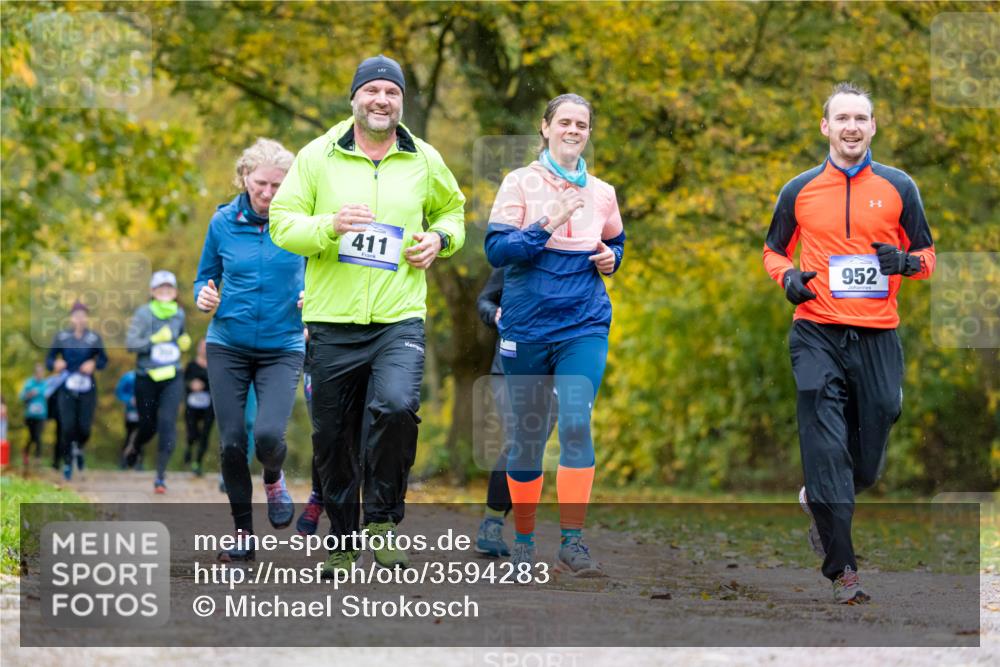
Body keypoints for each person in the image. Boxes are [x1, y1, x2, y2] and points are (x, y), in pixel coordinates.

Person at [269, 54, 466, 575]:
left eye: (392, 93)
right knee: (332, 435)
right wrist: (330, 226)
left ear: (402, 102)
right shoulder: (317, 157)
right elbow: (282, 224)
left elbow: (454, 211)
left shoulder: (424, 159)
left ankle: (381, 520)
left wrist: (440, 240)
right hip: (333, 320)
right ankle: (343, 536)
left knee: (397, 408)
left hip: (399, 316)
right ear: (354, 97)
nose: (382, 100)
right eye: (373, 91)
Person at [762, 82, 936, 604]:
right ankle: (844, 572)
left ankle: (817, 497)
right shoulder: (799, 190)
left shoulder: (900, 186)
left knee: (871, 445)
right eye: (842, 119)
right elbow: (772, 252)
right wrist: (787, 278)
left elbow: (927, 258)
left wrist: (902, 263)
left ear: (874, 126)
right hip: (815, 330)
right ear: (825, 127)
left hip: (878, 334)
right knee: (824, 444)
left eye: (861, 118)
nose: (852, 127)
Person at [484, 93, 625, 577]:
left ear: (588, 132)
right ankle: (523, 540)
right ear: (544, 128)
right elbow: (497, 251)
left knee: (575, 422)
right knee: (526, 438)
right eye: (564, 121)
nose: (573, 130)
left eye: (581, 124)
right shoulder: (519, 182)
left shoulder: (603, 191)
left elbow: (615, 239)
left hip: (583, 321)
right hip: (526, 325)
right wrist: (547, 223)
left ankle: (572, 541)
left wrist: (613, 258)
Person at [194, 138, 305, 562]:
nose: (268, 193)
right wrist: (203, 295)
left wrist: (310, 297)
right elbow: (205, 276)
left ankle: (273, 478)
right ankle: (243, 534)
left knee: (268, 435)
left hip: (284, 345)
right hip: (228, 345)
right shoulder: (222, 222)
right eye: (261, 183)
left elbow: (321, 269)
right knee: (232, 442)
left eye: (278, 185)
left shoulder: (300, 222)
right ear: (244, 177)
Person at [473, 267, 557, 557]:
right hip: (509, 367)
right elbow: (484, 300)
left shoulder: (577, 261)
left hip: (555, 375)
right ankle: (491, 523)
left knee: (532, 449)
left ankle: (502, 519)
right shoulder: (514, 259)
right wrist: (494, 314)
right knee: (520, 439)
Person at [126, 270, 191, 493]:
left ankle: (160, 476)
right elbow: (131, 344)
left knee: (167, 423)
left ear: (174, 292)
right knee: (148, 426)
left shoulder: (179, 314)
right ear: (152, 291)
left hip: (172, 376)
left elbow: (180, 334)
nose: (165, 291)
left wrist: (183, 340)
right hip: (147, 377)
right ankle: (135, 443)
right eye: (160, 288)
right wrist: (152, 340)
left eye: (169, 288)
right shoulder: (143, 314)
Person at [46, 301, 108, 480]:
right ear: (71, 317)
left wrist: (93, 363)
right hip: (66, 386)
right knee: (67, 426)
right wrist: (56, 364)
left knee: (84, 427)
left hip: (87, 387)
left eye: (83, 315)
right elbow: (49, 360)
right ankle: (67, 461)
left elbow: (103, 360)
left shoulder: (94, 338)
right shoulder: (61, 337)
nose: (79, 319)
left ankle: (79, 448)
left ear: (87, 317)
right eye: (76, 315)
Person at [183, 339, 214, 477]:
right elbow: (183, 382)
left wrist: (205, 386)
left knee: (205, 434)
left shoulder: (214, 366)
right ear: (197, 348)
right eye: (202, 346)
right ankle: (189, 448)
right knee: (192, 432)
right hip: (192, 405)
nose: (204, 349)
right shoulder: (191, 365)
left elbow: (217, 384)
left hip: (209, 405)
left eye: (207, 347)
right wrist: (191, 384)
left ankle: (197, 463)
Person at [19, 363, 49, 465]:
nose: (41, 374)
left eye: (42, 372)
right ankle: (26, 452)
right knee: (32, 436)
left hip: (41, 415)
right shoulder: (29, 383)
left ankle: (38, 458)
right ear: (35, 373)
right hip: (30, 415)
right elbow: (21, 396)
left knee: (38, 436)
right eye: (39, 372)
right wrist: (29, 394)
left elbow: (48, 395)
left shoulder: (45, 384)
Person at [115, 370, 141, 469]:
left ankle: (137, 462)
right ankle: (124, 461)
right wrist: (130, 400)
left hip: (144, 412)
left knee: (142, 435)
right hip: (131, 411)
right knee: (129, 435)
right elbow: (119, 391)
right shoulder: (129, 377)